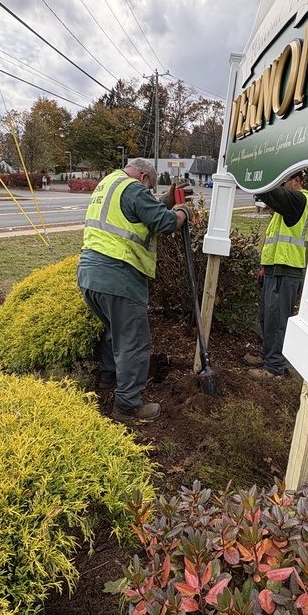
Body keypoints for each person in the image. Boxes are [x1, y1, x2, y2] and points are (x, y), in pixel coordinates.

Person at [78, 158, 190, 423]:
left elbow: (138, 212)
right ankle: (127, 405)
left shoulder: (108, 184)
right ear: (143, 178)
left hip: (90, 275)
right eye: (149, 188)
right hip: (119, 277)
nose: (148, 193)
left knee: (112, 329)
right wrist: (183, 212)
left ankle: (108, 376)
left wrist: (162, 198)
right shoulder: (134, 188)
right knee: (133, 341)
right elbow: (163, 223)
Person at [244, 169, 308, 381]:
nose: (281, 188)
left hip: (287, 270)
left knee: (277, 320)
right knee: (267, 317)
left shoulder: (299, 199)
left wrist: (260, 179)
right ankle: (267, 356)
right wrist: (265, 267)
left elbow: (273, 194)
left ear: (295, 181)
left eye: (282, 183)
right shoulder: (289, 205)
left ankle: (274, 368)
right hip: (276, 268)